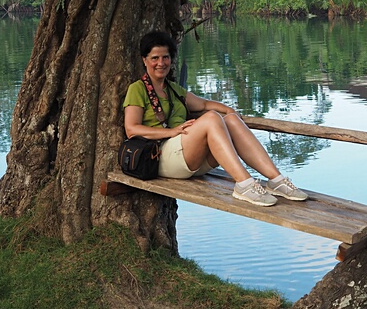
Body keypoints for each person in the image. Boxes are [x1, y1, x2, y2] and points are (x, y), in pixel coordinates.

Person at [122, 30, 308, 207]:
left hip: (190, 156)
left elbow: (203, 105)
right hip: (163, 157)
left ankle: (276, 180)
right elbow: (132, 129)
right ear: (145, 60)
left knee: (230, 120)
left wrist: (231, 112)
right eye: (155, 58)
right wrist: (170, 131)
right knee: (211, 118)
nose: (161, 63)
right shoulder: (137, 89)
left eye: (165, 57)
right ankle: (244, 184)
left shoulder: (172, 89)